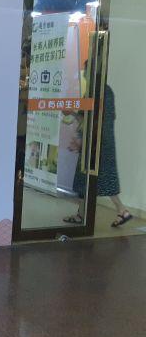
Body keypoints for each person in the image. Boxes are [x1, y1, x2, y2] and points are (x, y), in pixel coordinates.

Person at [64, 83, 132, 228]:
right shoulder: (108, 91)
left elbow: (85, 120)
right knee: (102, 178)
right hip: (106, 142)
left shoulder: (92, 92)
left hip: (93, 143)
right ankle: (120, 211)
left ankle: (120, 210)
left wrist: (71, 113)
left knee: (86, 177)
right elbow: (108, 118)